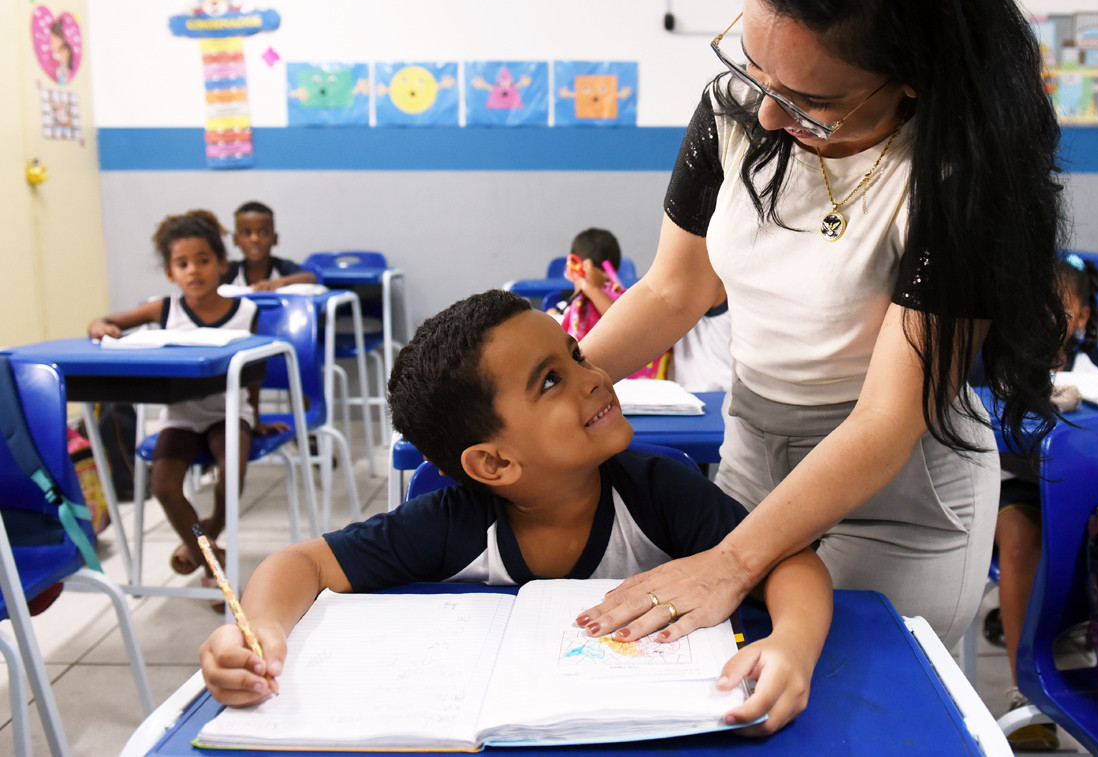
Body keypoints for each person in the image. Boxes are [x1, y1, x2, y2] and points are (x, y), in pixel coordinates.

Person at [575, 0, 1066, 651]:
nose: (768, 113)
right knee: (725, 683)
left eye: (813, 101)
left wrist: (730, 562)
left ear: (913, 78)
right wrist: (548, 385)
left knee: (852, 699)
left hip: (896, 488)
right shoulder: (737, 108)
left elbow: (885, 421)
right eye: (754, 64)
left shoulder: (959, 176)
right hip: (753, 451)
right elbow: (676, 290)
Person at [199, 290, 832, 735]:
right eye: (551, 381)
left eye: (575, 355)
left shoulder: (659, 487)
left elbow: (789, 562)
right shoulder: (454, 522)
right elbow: (300, 563)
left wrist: (794, 644)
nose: (593, 377)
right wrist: (262, 631)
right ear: (493, 465)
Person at [87, 210, 284, 602]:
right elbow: (103, 320)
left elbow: (255, 371)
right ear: (170, 273)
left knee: (231, 477)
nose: (194, 271)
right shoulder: (163, 309)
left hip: (229, 412)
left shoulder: (246, 311)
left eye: (204, 261)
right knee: (163, 486)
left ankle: (203, 536)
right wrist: (101, 328)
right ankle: (211, 557)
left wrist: (256, 418)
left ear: (222, 265)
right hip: (181, 416)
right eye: (182, 264)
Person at [990, 254, 1098, 752]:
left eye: (1060, 308)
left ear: (1082, 315)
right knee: (1020, 540)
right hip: (1019, 485)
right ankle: (1023, 691)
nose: (1046, 318)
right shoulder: (1003, 364)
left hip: (1085, 492)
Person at [552, 228, 671, 379]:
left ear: (571, 268)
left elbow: (623, 322)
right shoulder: (568, 303)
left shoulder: (600, 299)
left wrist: (591, 289)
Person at [221, 201, 318, 291]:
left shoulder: (282, 267)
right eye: (246, 233)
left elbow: (310, 278)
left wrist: (281, 282)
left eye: (263, 233)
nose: (254, 239)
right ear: (236, 240)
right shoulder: (231, 271)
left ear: (275, 238)